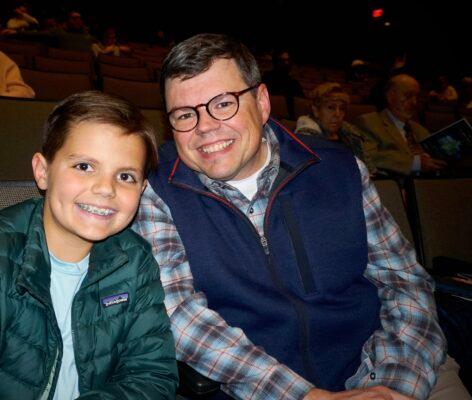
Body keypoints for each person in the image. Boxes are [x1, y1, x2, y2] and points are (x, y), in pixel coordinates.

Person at [133, 33, 470, 400]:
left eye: (223, 103)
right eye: (185, 114)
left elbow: (404, 282)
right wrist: (303, 396)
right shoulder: (156, 190)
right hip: (258, 390)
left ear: (261, 102)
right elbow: (179, 314)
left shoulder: (340, 169)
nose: (205, 126)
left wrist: (391, 386)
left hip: (389, 367)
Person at [0, 91, 178, 400]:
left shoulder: (135, 260)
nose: (105, 188)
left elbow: (152, 377)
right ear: (43, 172)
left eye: (125, 176)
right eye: (84, 167)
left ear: (142, 189)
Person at [354, 74, 447, 177]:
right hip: (392, 188)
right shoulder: (369, 122)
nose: (414, 102)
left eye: (417, 97)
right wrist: (415, 163)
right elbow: (369, 156)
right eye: (408, 96)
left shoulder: (420, 130)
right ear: (390, 97)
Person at [295, 82, 376, 174]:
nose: (338, 114)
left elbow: (369, 170)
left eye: (342, 109)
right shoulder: (307, 139)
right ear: (316, 110)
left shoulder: (351, 136)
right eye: (331, 108)